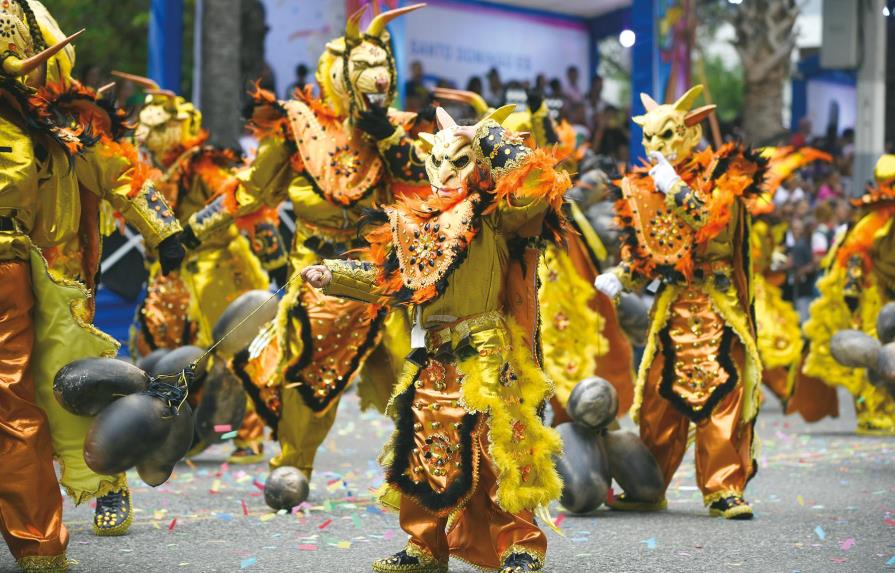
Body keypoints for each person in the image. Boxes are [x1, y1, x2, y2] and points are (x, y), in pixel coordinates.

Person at [302, 104, 567, 573]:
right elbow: (392, 282)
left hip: (486, 351)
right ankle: (424, 547)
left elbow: (536, 184)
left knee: (498, 449)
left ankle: (519, 545)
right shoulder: (413, 223)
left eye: (459, 160)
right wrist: (334, 275)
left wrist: (483, 133)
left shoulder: (493, 217)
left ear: (480, 167)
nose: (446, 170)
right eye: (439, 159)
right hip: (433, 353)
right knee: (423, 447)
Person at [185, 4, 430, 483]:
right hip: (319, 275)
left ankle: (420, 469)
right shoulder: (296, 127)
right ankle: (293, 464)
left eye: (382, 69)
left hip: (383, 272)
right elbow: (249, 192)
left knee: (412, 366)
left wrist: (389, 140)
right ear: (337, 74)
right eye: (362, 70)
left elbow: (427, 187)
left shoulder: (398, 129)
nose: (376, 80)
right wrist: (187, 231)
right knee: (308, 371)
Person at [595, 85, 766, 519]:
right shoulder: (644, 185)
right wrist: (622, 276)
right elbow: (653, 253)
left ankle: (723, 487)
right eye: (650, 139)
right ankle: (648, 484)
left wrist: (676, 189)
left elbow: (711, 225)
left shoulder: (721, 176)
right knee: (658, 398)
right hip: (671, 310)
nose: (657, 148)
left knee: (721, 393)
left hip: (715, 305)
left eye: (666, 136)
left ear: (690, 134)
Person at [118, 72, 285, 464]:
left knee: (233, 349)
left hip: (218, 268)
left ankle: (249, 432)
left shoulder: (206, 168)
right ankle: (181, 429)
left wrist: (276, 261)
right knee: (159, 346)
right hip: (174, 273)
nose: (149, 135)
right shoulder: (152, 171)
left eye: (160, 127)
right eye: (147, 127)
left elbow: (244, 205)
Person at [802, 154, 895, 434]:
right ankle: (872, 412)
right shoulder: (869, 225)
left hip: (886, 295)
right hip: (873, 295)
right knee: (873, 354)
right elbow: (854, 261)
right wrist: (852, 300)